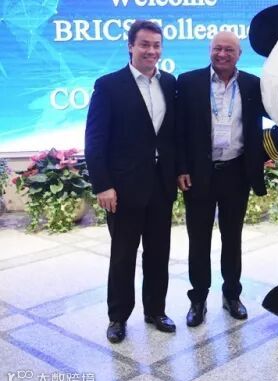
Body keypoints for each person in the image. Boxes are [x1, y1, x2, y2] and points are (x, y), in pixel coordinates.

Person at [85, 20, 177, 343]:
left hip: (161, 186)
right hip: (123, 190)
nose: (151, 51)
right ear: (130, 46)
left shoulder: (169, 83)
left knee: (158, 253)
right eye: (144, 44)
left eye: (156, 45)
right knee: (123, 255)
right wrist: (102, 185)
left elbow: (171, 135)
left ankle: (156, 310)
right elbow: (95, 141)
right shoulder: (108, 86)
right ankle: (118, 317)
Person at [176, 31, 266, 327]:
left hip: (236, 173)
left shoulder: (253, 84)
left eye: (229, 49)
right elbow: (178, 130)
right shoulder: (188, 82)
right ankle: (198, 299)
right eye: (217, 48)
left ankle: (232, 295)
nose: (222, 54)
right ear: (209, 51)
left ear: (239, 54)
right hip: (199, 174)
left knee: (232, 238)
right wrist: (181, 167)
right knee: (198, 239)